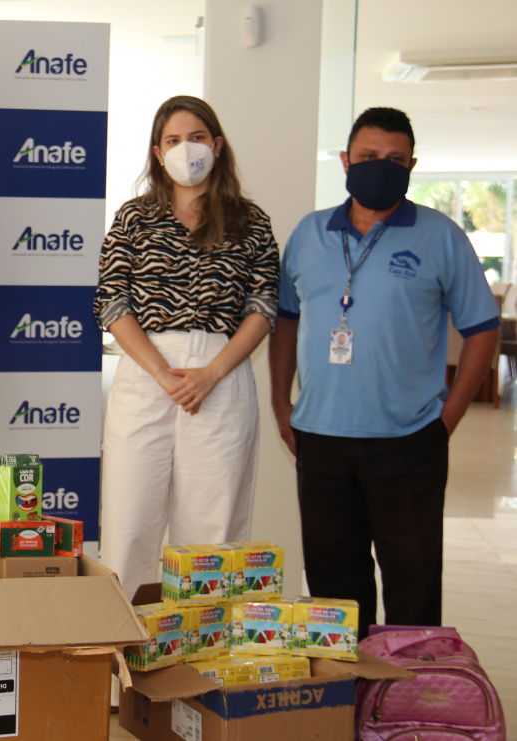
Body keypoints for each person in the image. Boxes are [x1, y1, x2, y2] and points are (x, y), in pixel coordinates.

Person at [271, 107, 500, 636]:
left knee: (413, 586)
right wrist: (282, 405)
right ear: (346, 161)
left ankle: (409, 686)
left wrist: (448, 418)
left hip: (409, 439)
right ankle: (347, 687)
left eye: (395, 159)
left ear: (412, 166)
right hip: (321, 438)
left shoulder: (441, 236)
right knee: (334, 591)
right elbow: (285, 320)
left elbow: (482, 328)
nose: (381, 166)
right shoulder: (309, 234)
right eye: (369, 155)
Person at [94, 96, 279, 599]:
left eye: (196, 137)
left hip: (221, 375)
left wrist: (210, 374)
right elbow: (111, 301)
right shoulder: (134, 217)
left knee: (211, 530)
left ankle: (201, 639)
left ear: (217, 145)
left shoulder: (250, 221)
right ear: (158, 153)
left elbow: (263, 306)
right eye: (173, 140)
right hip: (146, 373)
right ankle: (125, 641)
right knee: (129, 523)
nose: (186, 148)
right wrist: (161, 373)